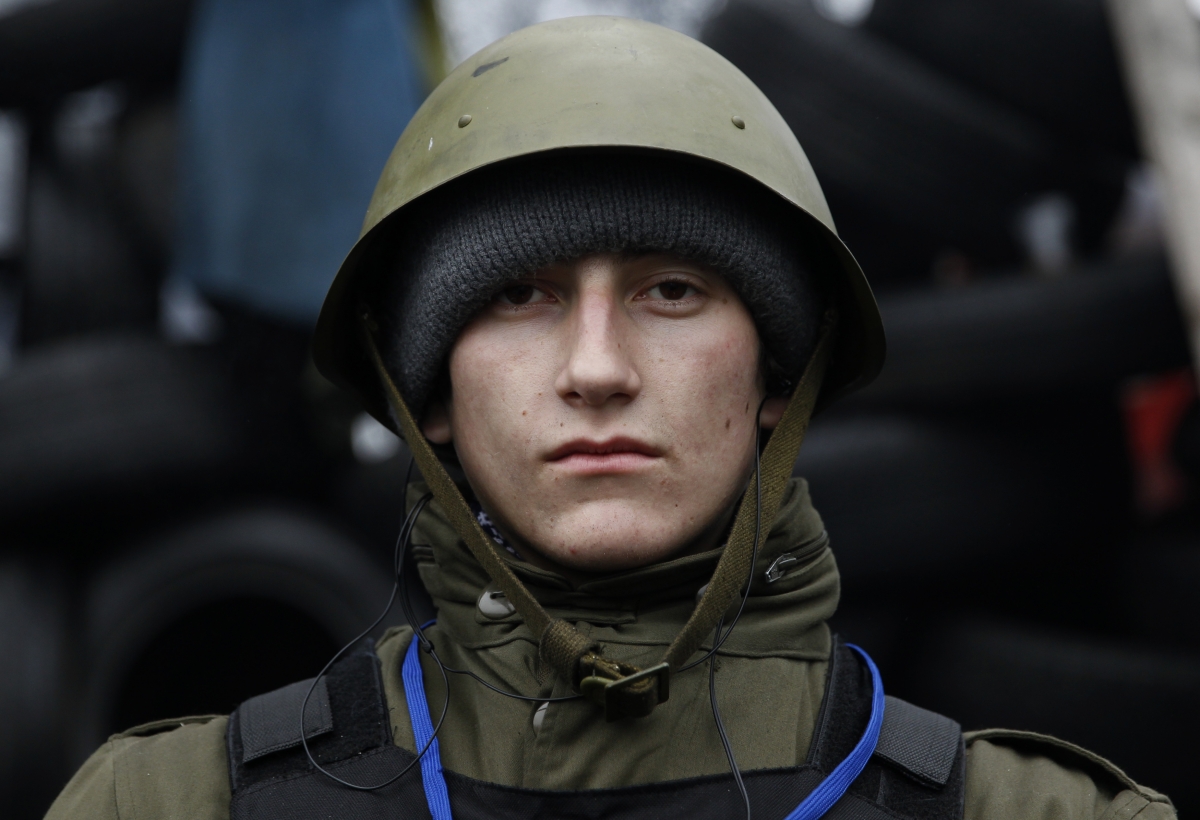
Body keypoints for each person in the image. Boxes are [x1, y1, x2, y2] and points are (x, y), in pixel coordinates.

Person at [46, 17, 1175, 820]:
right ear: (428, 390)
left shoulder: (1042, 813)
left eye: (672, 292)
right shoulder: (170, 803)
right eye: (517, 295)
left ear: (780, 373)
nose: (596, 368)